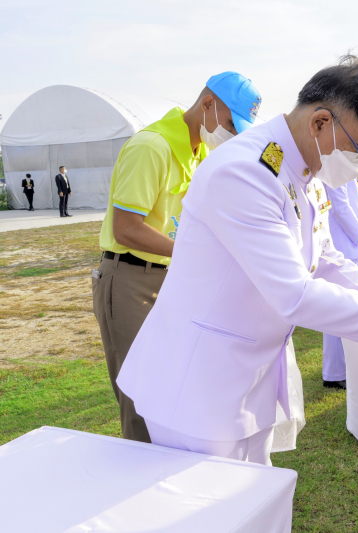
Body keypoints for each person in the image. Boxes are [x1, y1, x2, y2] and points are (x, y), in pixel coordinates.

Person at [116, 56, 358, 465]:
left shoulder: (304, 171)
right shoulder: (245, 172)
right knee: (210, 497)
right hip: (200, 384)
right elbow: (295, 295)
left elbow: (325, 261)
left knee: (251, 493)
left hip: (248, 377)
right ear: (321, 122)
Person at [93, 71, 260, 443]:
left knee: (172, 385)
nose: (231, 135)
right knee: (140, 395)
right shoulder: (151, 147)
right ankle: (140, 471)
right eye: (230, 124)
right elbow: (126, 228)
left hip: (171, 277)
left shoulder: (200, 152)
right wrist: (194, 251)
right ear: (207, 104)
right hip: (130, 280)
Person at [321, 173, 358, 390]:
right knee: (338, 309)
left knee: (342, 308)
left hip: (346, 243)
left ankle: (338, 369)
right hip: (342, 244)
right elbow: (341, 206)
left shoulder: (341, 163)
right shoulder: (335, 164)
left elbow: (353, 203)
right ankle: (335, 372)